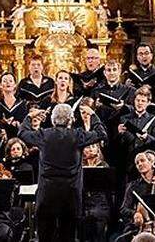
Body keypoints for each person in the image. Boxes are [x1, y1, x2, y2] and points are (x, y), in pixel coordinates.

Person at [17, 103, 107, 242]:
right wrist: (93, 115)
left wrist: (30, 116)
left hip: (47, 194)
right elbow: (101, 133)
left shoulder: (44, 135)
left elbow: (22, 133)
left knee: (45, 236)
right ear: (71, 119)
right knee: (68, 236)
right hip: (70, 195)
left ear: (53, 120)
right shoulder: (78, 135)